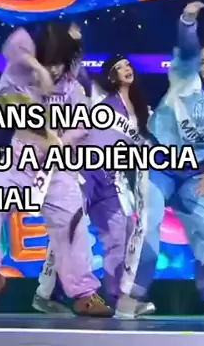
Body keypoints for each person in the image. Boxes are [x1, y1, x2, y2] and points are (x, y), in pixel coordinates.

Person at [115, 2, 204, 320]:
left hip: (191, 174)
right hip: (156, 162)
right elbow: (189, 49)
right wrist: (188, 22)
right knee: (148, 221)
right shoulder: (184, 76)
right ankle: (130, 298)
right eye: (203, 61)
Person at [0, 23, 112, 317]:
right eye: (49, 63)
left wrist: (61, 142)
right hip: (18, 163)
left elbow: (81, 126)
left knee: (72, 224)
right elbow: (15, 43)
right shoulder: (19, 73)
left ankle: (84, 293)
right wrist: (38, 68)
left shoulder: (73, 85)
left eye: (59, 63)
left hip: (57, 169)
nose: (54, 70)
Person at [33, 54, 156, 316]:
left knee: (120, 233)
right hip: (81, 171)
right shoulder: (99, 96)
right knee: (69, 230)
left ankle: (119, 298)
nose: (126, 69)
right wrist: (74, 46)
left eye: (128, 65)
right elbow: (78, 74)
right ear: (111, 76)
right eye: (119, 67)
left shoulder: (144, 113)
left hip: (111, 180)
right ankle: (47, 293)